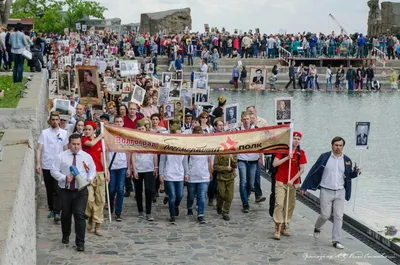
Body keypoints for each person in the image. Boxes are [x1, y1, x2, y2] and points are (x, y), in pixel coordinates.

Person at [300, 137, 360, 249]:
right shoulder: (324, 157)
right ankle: (317, 227)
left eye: (340, 145)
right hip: (326, 190)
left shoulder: (347, 160)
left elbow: (348, 176)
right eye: (336, 145)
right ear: (332, 145)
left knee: (338, 216)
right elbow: (314, 170)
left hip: (340, 192)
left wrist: (355, 173)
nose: (338, 147)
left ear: (343, 147)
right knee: (325, 215)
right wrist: (304, 187)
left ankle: (336, 240)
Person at [50, 133, 96, 252]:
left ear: (81, 144)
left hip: (81, 190)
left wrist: (90, 178)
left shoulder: (86, 156)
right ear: (69, 144)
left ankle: (80, 242)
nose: (76, 146)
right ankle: (66, 234)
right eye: (73, 144)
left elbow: (92, 169)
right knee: (66, 214)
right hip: (65, 190)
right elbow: (53, 170)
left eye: (78, 144)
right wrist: (64, 177)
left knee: (79, 215)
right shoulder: (61, 156)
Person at [272, 132, 307, 240]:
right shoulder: (282, 151)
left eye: (298, 139)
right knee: (279, 203)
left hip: (292, 182)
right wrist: (287, 157)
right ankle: (277, 226)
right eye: (294, 138)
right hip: (281, 180)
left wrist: (292, 179)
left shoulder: (300, 153)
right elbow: (275, 164)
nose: (296, 141)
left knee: (290, 204)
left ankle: (285, 225)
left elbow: (302, 169)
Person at [36, 112, 69, 222]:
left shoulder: (64, 133)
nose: (55, 121)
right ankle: (51, 208)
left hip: (58, 166)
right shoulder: (45, 133)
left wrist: (66, 165)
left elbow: (65, 149)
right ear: (50, 121)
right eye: (53, 119)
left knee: (57, 189)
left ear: (59, 121)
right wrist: (38, 163)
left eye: (56, 119)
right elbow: (39, 149)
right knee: (49, 189)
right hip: (47, 164)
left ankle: (57, 211)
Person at [82, 120, 108, 236]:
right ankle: (90, 216)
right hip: (88, 174)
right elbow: (91, 144)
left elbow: (103, 157)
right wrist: (100, 136)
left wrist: (107, 171)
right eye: (85, 129)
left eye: (89, 129)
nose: (87, 131)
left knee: (100, 199)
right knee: (89, 199)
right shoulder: (84, 140)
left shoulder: (100, 142)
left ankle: (98, 224)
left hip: (99, 172)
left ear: (94, 130)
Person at [159, 124, 189, 224]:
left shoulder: (182, 146)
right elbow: (162, 161)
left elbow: (185, 161)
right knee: (172, 196)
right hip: (169, 173)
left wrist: (186, 173)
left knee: (179, 195)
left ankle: (176, 205)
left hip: (179, 174)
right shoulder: (166, 146)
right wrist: (161, 173)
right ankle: (172, 215)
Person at [235, 111, 263, 213]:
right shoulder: (238, 130)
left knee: (250, 183)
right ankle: (245, 203)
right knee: (243, 181)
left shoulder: (255, 130)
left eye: (248, 119)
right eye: (244, 119)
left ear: (250, 119)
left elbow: (260, 144)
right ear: (242, 120)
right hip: (242, 158)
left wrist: (260, 158)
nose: (246, 121)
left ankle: (246, 195)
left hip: (253, 159)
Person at [132, 119, 159, 221]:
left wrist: (155, 166)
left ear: (146, 128)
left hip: (149, 168)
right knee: (138, 191)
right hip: (138, 168)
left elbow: (155, 154)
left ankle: (148, 212)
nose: (141, 130)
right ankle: (140, 210)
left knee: (149, 190)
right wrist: (134, 169)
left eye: (142, 128)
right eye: (139, 129)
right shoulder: (135, 140)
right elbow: (133, 155)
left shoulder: (150, 139)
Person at [186, 126, 213, 224]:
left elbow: (209, 161)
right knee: (191, 195)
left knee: (202, 196)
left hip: (204, 175)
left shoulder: (207, 145)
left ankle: (200, 214)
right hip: (192, 175)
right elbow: (185, 160)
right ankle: (189, 207)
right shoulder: (189, 146)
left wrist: (210, 172)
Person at [107, 115, 130, 222]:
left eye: (120, 121)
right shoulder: (109, 135)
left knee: (120, 189)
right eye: (117, 121)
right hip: (111, 166)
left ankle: (118, 212)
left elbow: (128, 152)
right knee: (111, 189)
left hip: (122, 166)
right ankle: (110, 204)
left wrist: (129, 167)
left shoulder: (125, 136)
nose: (119, 123)